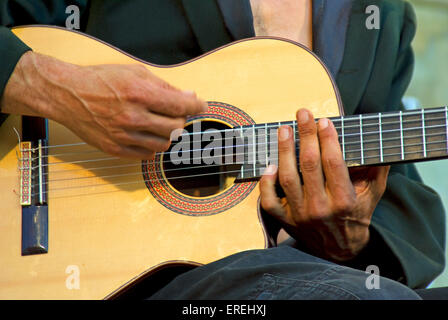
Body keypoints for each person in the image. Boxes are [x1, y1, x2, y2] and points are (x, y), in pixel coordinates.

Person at [0, 0, 445, 300]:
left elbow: (394, 187)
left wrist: (351, 239)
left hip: (274, 278)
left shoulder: (383, 15)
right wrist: (47, 87)